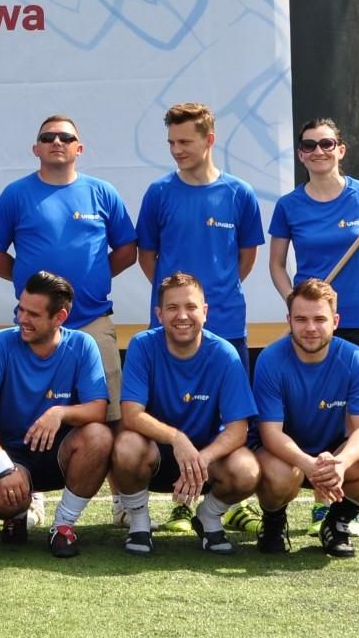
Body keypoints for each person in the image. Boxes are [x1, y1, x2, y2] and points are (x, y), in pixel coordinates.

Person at [135, 101, 262, 533]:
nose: (176, 150)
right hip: (172, 334)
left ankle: (226, 504)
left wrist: (210, 301)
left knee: (233, 423)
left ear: (210, 139)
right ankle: (180, 504)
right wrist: (179, 306)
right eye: (171, 142)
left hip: (227, 325)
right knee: (171, 418)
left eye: (185, 141)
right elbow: (148, 256)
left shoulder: (240, 194)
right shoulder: (159, 193)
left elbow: (245, 258)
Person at [268, 117, 359, 537]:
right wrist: (295, 303)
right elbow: (276, 264)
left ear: (340, 149)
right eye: (309, 146)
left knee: (350, 419)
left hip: (358, 320)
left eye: (326, 144)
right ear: (300, 154)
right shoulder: (289, 205)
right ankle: (303, 496)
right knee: (310, 413)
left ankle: (336, 509)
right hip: (314, 323)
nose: (318, 151)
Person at [0, 114, 135, 418]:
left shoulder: (103, 192)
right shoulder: (16, 194)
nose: (56, 142)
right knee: (29, 415)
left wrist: (95, 276)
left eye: (66, 138)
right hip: (35, 326)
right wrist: (33, 285)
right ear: (35, 149)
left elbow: (127, 251)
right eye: (47, 137)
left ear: (80, 148)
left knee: (110, 417)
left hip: (92, 321)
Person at [0, 271, 113, 557]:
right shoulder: (0, 343)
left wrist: (59, 413)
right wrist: (3, 467)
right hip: (12, 455)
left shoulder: (82, 345)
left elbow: (99, 409)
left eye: (33, 314)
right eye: (20, 309)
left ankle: (63, 525)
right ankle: (17, 514)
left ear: (60, 317)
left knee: (100, 437)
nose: (22, 318)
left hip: (60, 455)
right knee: (4, 502)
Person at [111, 273, 260, 556]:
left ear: (205, 311)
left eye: (191, 307)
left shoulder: (224, 353)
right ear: (159, 314)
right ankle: (139, 521)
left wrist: (201, 458)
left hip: (205, 463)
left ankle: (209, 517)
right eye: (172, 308)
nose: (182, 316)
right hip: (154, 456)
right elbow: (131, 414)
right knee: (126, 445)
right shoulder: (142, 345)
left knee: (246, 470)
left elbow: (238, 429)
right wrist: (177, 439)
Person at [252, 280, 359, 558]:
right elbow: (270, 433)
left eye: (319, 319)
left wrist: (341, 463)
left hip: (334, 456)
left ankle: (337, 523)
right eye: (301, 319)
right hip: (286, 458)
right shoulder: (270, 359)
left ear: (335, 321)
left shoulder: (353, 358)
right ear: (289, 320)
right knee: (280, 475)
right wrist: (307, 464)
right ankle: (273, 522)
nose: (310, 328)